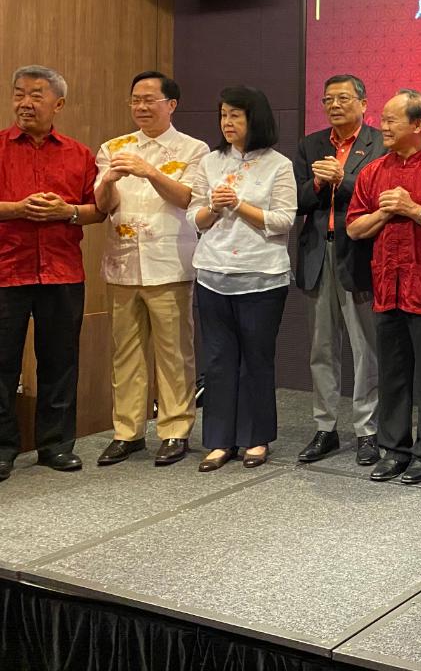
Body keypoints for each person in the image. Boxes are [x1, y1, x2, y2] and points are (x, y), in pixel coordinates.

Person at [94, 71, 209, 468]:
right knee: (124, 352)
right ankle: (127, 431)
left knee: (174, 352)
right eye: (135, 100)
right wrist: (109, 178)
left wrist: (150, 171)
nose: (141, 107)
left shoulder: (194, 149)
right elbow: (103, 205)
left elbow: (187, 200)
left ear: (171, 105)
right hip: (122, 263)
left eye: (149, 100)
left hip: (169, 264)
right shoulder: (114, 147)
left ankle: (175, 428)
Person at [347, 90, 421, 483]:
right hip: (386, 288)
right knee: (392, 374)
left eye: (392, 120)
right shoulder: (374, 171)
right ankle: (395, 450)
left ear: (418, 125)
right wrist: (384, 212)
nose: (384, 127)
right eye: (383, 118)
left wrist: (414, 209)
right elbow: (354, 227)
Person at [0, 66, 103, 481]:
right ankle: (3, 449)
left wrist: (68, 213)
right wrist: (16, 209)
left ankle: (56, 445)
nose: (26, 103)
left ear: (58, 104)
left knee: (60, 362)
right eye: (19, 94)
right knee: (1, 364)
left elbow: (100, 210)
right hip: (6, 270)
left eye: (36, 95)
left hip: (61, 272)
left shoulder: (79, 153)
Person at [187, 86, 296, 471]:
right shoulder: (210, 161)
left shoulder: (278, 164)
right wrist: (212, 210)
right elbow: (194, 216)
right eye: (223, 115)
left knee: (256, 359)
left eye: (236, 115)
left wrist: (240, 205)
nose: (227, 122)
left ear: (255, 118)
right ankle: (218, 441)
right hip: (213, 272)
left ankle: (256, 438)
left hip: (262, 277)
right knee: (217, 360)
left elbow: (284, 220)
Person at [295, 74, 385, 467]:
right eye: (328, 99)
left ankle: (367, 430)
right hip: (318, 252)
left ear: (364, 103)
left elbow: (377, 193)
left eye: (344, 98)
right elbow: (294, 200)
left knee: (366, 348)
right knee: (322, 347)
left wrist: (342, 180)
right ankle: (325, 427)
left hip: (359, 254)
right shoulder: (310, 144)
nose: (334, 105)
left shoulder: (379, 142)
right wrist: (317, 182)